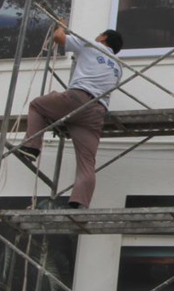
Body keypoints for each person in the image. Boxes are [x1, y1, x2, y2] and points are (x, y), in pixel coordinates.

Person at [19, 24, 124, 209]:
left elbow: (59, 38)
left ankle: (31, 147)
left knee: (37, 105)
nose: (97, 35)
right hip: (97, 111)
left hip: (77, 98)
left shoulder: (91, 45)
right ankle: (80, 203)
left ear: (103, 38)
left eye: (99, 33)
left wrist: (60, 25)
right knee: (87, 162)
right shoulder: (118, 66)